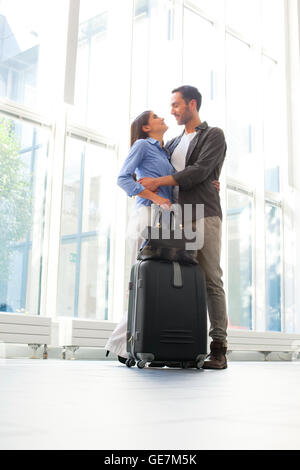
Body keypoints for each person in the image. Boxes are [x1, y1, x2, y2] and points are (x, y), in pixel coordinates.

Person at [105, 107, 220, 366]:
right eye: (156, 117)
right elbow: (123, 179)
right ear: (146, 127)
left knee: (156, 281)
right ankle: (120, 344)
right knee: (142, 282)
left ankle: (131, 345)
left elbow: (180, 176)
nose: (163, 118)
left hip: (166, 218)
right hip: (147, 215)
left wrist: (212, 181)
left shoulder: (164, 150)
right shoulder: (142, 146)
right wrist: (155, 196)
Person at [139, 85, 228, 369]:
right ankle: (179, 346)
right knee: (179, 280)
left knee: (211, 278)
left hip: (204, 213)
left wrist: (160, 183)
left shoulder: (213, 134)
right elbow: (156, 168)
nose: (172, 111)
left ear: (192, 104)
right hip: (176, 217)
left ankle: (219, 349)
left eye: (176, 105)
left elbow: (199, 171)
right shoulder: (174, 143)